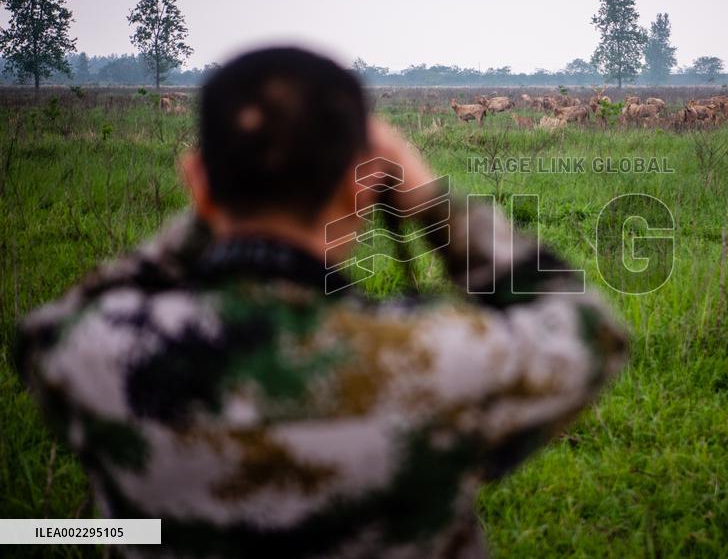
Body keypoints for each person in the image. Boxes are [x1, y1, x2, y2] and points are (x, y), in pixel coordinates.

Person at [16, 47, 628, 558]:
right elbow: (585, 329)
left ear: (199, 184)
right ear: (363, 185)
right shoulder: (435, 361)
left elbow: (44, 329)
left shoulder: (102, 357)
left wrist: (217, 211)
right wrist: (432, 204)